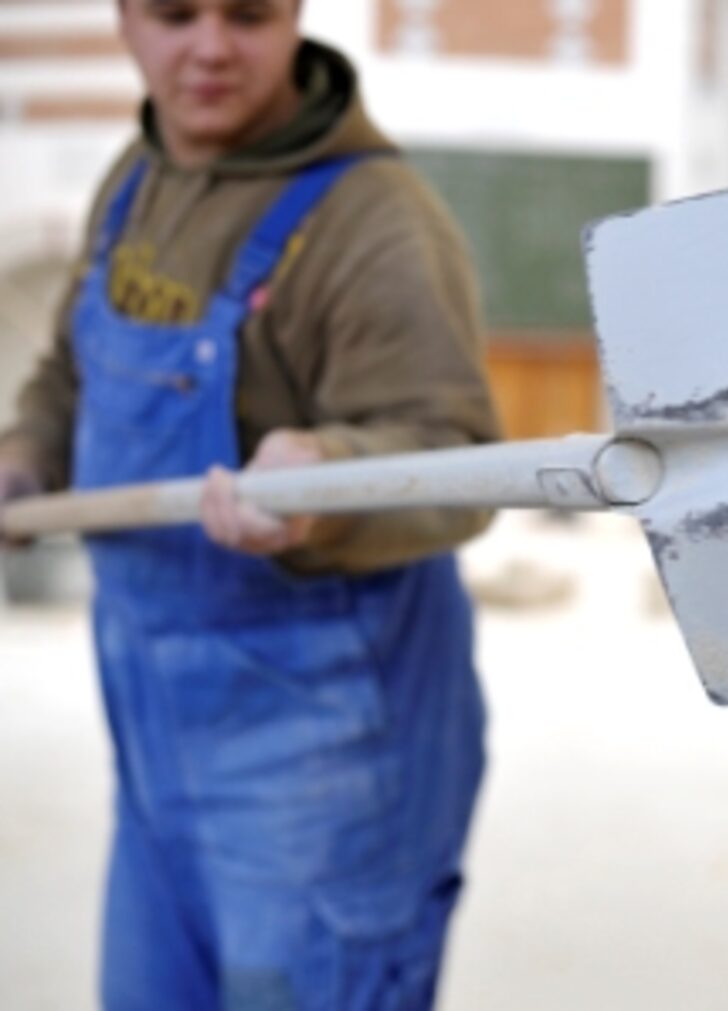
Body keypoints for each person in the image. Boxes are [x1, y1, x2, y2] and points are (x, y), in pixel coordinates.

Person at [0, 1, 502, 1007]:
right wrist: (25, 456)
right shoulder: (137, 179)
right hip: (155, 743)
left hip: (322, 758)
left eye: (248, 14)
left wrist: (326, 476)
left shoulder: (373, 220)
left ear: (296, 16)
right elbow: (69, 370)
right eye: (174, 14)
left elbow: (459, 464)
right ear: (125, 20)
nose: (211, 46)